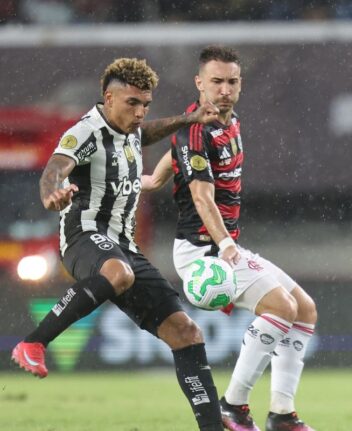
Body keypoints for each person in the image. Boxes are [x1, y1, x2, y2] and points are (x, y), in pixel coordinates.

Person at [11, 57, 225, 431]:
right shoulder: (85, 132)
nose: (141, 112)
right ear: (108, 98)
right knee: (118, 272)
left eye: (145, 104)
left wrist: (187, 119)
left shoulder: (130, 129)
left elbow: (147, 132)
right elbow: (55, 168)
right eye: (132, 103)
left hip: (124, 246)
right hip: (83, 237)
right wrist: (51, 195)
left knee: (186, 331)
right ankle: (33, 343)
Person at [142, 46, 318, 431]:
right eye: (216, 81)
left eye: (232, 82)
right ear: (199, 83)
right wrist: (226, 247)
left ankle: (283, 415)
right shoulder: (195, 131)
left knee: (304, 309)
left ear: (240, 84)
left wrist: (153, 180)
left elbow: (177, 158)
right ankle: (232, 407)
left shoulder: (228, 120)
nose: (224, 89)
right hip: (203, 251)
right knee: (281, 308)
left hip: (222, 244)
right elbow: (203, 198)